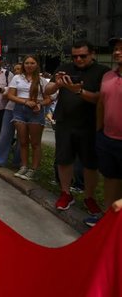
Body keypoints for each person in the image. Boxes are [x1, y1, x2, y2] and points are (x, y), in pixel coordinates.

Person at [43, 40, 109, 215]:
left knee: (90, 163)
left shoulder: (103, 72)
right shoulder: (64, 67)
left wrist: (78, 91)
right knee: (64, 159)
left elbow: (100, 99)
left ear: (92, 54)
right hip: (65, 121)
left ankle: (89, 197)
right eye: (75, 56)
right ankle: (66, 193)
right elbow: (48, 90)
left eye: (82, 56)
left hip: (90, 124)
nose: (78, 59)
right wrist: (58, 84)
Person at [85, 36, 122, 227]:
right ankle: (108, 219)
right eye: (116, 48)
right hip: (107, 138)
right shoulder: (108, 76)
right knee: (110, 178)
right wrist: (99, 131)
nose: (117, 52)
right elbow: (101, 104)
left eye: (121, 49)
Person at [7, 55, 52, 181]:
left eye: (32, 63)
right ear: (23, 65)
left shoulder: (42, 81)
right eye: (26, 63)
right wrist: (25, 102)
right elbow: (10, 96)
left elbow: (48, 99)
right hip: (20, 110)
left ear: (37, 64)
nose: (29, 65)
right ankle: (24, 166)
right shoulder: (17, 78)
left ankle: (34, 169)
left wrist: (39, 104)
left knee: (35, 143)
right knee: (23, 141)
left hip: (36, 112)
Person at [0, 63, 23, 168]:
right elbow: (6, 94)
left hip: (25, 110)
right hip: (10, 108)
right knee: (5, 135)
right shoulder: (15, 79)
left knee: (22, 138)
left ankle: (18, 162)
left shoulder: (36, 80)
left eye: (19, 68)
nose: (17, 71)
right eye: (15, 69)